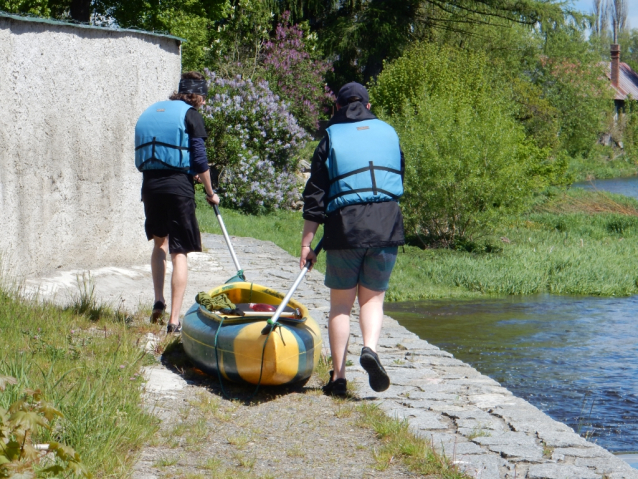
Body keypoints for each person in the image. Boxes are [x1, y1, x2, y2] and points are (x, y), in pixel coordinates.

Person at [300, 82, 405, 396]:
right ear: (368, 107)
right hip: (386, 224)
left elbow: (315, 196)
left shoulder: (330, 137)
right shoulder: (389, 132)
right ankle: (370, 348)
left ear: (337, 109)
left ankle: (339, 378)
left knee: (341, 307)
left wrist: (307, 244)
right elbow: (398, 175)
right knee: (372, 300)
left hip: (345, 227)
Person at [135, 71, 219, 333]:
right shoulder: (191, 114)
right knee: (179, 250)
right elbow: (200, 159)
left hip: (150, 185)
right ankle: (174, 320)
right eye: (203, 97)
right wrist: (210, 190)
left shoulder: (154, 110)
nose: (204, 102)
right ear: (197, 96)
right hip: (178, 188)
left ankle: (158, 300)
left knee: (160, 241)